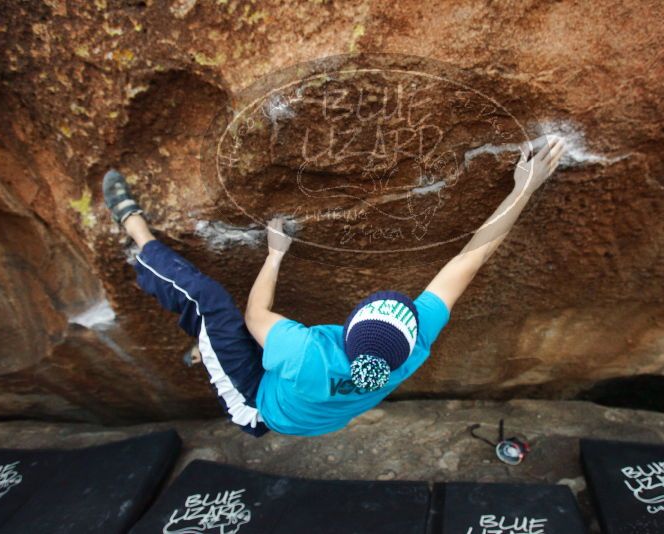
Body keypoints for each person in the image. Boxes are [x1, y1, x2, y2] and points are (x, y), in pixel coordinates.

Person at [103, 135, 564, 437]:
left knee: (210, 306)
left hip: (258, 405)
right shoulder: (410, 350)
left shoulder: (308, 351)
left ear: (347, 328)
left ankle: (136, 230)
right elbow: (471, 258)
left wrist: (275, 253)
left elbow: (254, 315)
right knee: (252, 339)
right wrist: (523, 188)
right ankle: (208, 350)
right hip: (304, 402)